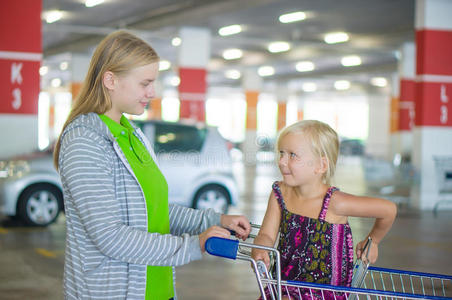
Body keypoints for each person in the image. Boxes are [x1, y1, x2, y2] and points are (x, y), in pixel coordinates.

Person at [53, 30, 251, 300]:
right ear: (110, 80)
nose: (152, 92)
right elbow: (110, 237)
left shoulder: (132, 134)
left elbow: (152, 211)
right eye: (144, 83)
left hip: (158, 290)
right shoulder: (84, 142)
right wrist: (194, 245)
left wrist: (215, 220)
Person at [251, 120, 397, 299]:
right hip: (284, 286)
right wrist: (261, 249)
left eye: (292, 155)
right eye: (281, 153)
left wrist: (372, 241)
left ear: (321, 165)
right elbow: (267, 234)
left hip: (323, 293)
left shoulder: (335, 203)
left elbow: (388, 210)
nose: (281, 161)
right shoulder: (280, 194)